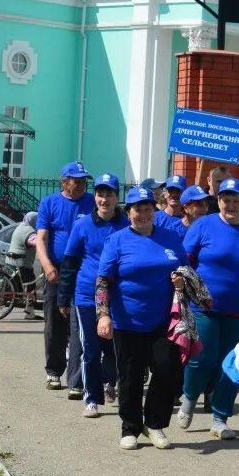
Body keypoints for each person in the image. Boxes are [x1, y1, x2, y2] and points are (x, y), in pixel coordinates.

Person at [95, 186, 187, 451]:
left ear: (154, 211)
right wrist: (103, 315)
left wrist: (181, 280)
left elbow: (185, 271)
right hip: (128, 321)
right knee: (130, 376)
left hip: (164, 322)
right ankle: (130, 428)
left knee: (166, 371)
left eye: (148, 208)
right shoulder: (117, 240)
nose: (143, 213)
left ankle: (155, 424)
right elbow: (102, 281)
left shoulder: (171, 238)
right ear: (128, 212)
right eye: (138, 208)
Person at [178, 177, 239, 440]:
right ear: (219, 201)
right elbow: (185, 263)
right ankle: (189, 396)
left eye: (237, 200)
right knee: (203, 359)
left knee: (232, 366)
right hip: (203, 307)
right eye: (226, 199)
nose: (231, 205)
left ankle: (220, 418)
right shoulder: (204, 225)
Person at [58, 173, 128, 417]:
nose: (104, 199)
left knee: (114, 347)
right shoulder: (83, 224)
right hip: (87, 295)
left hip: (118, 296)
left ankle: (110, 381)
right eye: (100, 194)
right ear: (95, 197)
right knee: (90, 348)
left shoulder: (127, 224)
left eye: (109, 194)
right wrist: (64, 297)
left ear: (117, 197)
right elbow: (70, 263)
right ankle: (92, 398)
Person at [36, 161, 96, 392]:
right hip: (57, 270)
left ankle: (77, 377)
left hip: (84, 269)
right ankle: (53, 371)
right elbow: (41, 238)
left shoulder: (91, 201)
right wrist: (47, 265)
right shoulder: (50, 203)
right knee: (54, 322)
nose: (81, 184)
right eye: (76, 180)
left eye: (83, 180)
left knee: (80, 322)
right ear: (64, 181)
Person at [3, 211, 40, 320]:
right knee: (31, 286)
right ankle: (30, 312)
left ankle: (30, 311)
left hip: (11, 261)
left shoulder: (19, 227)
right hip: (21, 263)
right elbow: (35, 241)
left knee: (13, 289)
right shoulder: (29, 230)